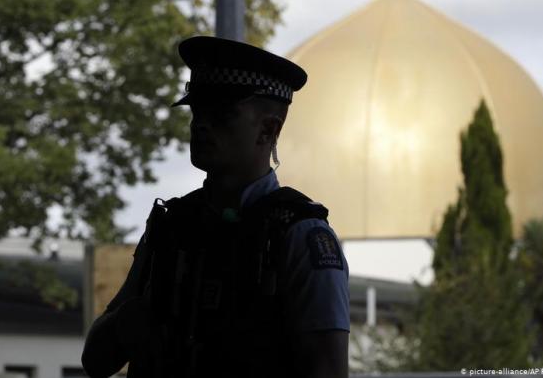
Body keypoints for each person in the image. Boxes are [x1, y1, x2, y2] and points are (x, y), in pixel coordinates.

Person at [81, 36, 350, 378]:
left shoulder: (299, 235)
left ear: (267, 130)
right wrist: (141, 317)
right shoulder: (173, 224)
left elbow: (327, 369)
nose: (200, 124)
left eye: (222, 115)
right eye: (198, 111)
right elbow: (96, 361)